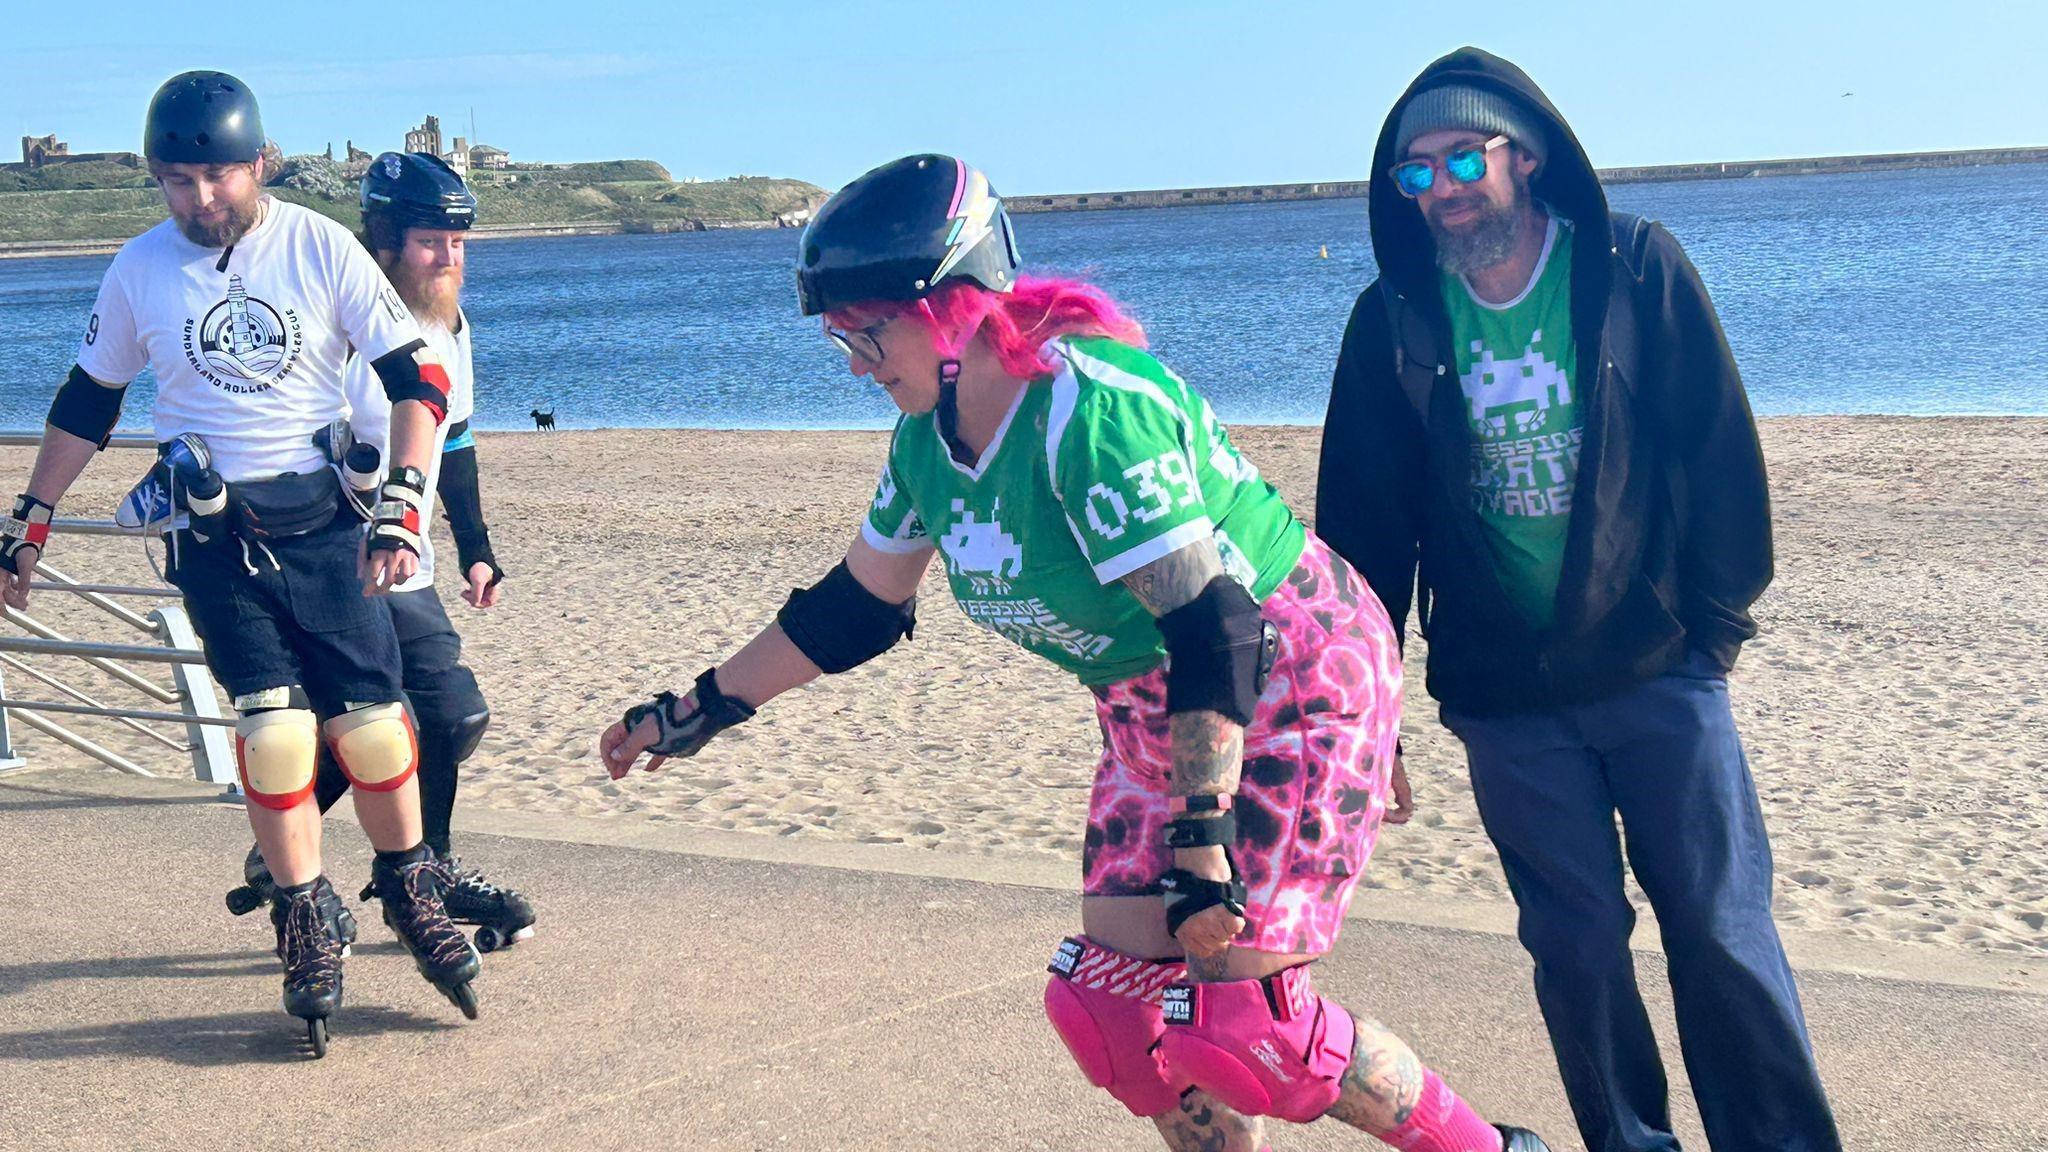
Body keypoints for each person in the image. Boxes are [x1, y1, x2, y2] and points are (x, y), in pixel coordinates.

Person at [600, 154, 1549, 1152]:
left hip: (1285, 677)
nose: (853, 363)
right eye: (839, 338)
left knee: (1247, 1033)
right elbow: (852, 611)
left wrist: (1201, 833)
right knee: (1107, 1017)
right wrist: (695, 710)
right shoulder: (928, 443)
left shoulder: (1086, 410)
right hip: (1152, 703)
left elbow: (1213, 625)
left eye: (865, 333)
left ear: (950, 305)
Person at [1315, 47, 1842, 1152]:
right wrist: (1366, 722)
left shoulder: (1629, 268)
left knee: (1720, 934)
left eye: (1463, 158)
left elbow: (1715, 454)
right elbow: (1360, 540)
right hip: (1506, 701)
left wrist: (1711, 635)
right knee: (1577, 948)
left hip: (1659, 668)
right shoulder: (1393, 324)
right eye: (1414, 174)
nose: (1442, 189)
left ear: (1526, 155)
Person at [0, 71, 483, 1056]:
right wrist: (31, 515)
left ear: (258, 162)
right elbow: (89, 400)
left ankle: (407, 888)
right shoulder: (139, 270)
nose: (201, 200)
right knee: (274, 734)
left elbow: (416, 381)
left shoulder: (318, 245)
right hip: (212, 534)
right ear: (158, 180)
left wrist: (404, 504)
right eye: (178, 182)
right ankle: (305, 916)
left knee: (378, 731)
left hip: (326, 522)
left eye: (218, 177)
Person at [225, 151, 534, 954]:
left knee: (439, 717)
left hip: (409, 559)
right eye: (435, 242)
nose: (451, 258)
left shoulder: (447, 321)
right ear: (388, 238)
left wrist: (477, 548)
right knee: (407, 715)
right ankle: (411, 872)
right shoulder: (340, 315)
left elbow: (453, 439)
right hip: (337, 559)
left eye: (462, 243)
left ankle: (314, 857)